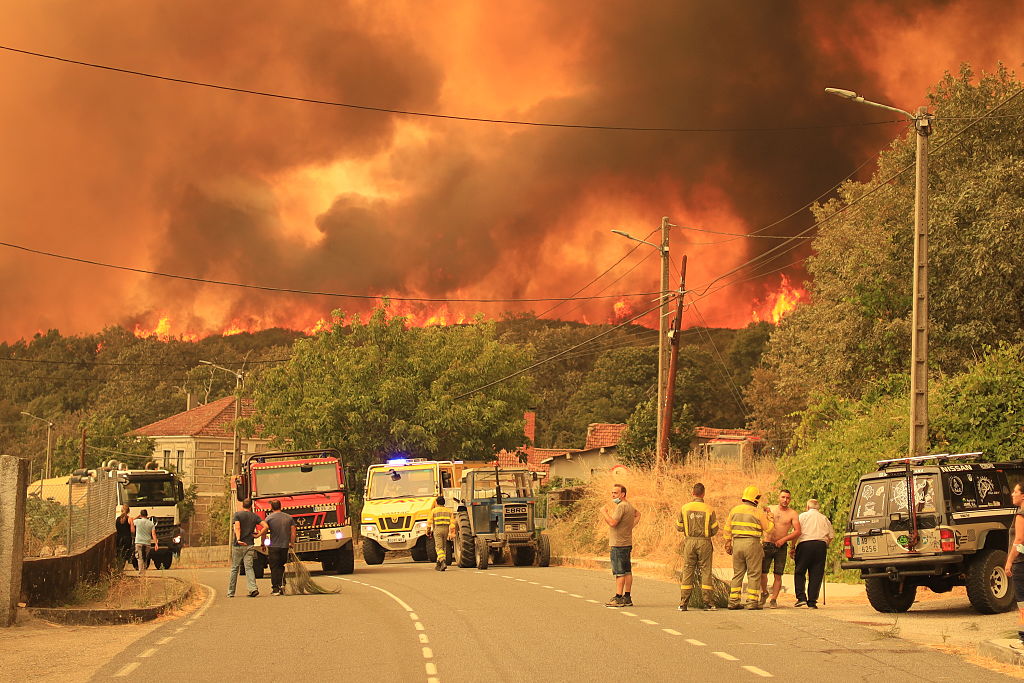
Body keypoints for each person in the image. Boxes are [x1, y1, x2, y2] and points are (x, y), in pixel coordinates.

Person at [724, 486, 773, 610]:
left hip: (737, 544)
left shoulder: (734, 510)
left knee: (738, 573)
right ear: (756, 498)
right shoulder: (757, 512)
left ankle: (733, 601)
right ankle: (752, 602)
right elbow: (768, 528)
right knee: (754, 573)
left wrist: (728, 542)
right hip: (752, 544)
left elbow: (727, 528)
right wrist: (770, 518)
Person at [676, 482, 719, 611]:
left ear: (693, 493)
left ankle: (683, 603)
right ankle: (708, 603)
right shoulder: (709, 509)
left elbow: (679, 527)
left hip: (689, 542)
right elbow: (715, 529)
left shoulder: (684, 508)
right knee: (706, 571)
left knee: (688, 570)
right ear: (703, 493)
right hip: (704, 542)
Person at [761, 489, 802, 608]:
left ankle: (773, 599)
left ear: (790, 499)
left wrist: (784, 540)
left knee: (778, 574)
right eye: (783, 497)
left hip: (781, 546)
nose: (785, 500)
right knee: (763, 572)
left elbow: (798, 531)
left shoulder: (792, 514)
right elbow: (761, 521)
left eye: (788, 498)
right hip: (767, 543)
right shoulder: (771, 508)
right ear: (779, 498)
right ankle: (764, 592)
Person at [602, 483, 640, 607]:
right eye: (612, 493)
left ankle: (618, 597)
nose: (613, 495)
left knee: (620, 572)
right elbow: (638, 514)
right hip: (627, 543)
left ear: (622, 494)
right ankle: (627, 597)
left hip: (618, 544)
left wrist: (604, 513)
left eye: (616, 493)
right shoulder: (629, 506)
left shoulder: (621, 506)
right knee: (627, 571)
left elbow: (613, 523)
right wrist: (630, 527)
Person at [791, 499, 834, 609]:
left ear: (807, 507)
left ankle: (801, 598)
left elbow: (796, 532)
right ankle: (812, 601)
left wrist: (792, 547)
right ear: (818, 508)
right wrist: (824, 544)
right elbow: (831, 536)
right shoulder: (824, 518)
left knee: (800, 571)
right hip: (820, 545)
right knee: (816, 574)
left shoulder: (802, 516)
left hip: (805, 544)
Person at [228, 498, 263, 598]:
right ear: (251, 506)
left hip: (238, 545)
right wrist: (258, 535)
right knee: (249, 567)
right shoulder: (254, 516)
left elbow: (237, 527)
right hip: (250, 545)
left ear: (242, 505)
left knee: (235, 568)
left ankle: (231, 592)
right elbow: (265, 526)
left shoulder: (237, 515)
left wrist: (238, 539)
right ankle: (253, 589)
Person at [259, 499, 296, 595]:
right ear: (281, 506)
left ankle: (276, 588)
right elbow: (293, 532)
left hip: (274, 546)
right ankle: (282, 584)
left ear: (271, 508)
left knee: (274, 567)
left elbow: (264, 532)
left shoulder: (269, 518)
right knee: (281, 565)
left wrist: (263, 543)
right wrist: (291, 543)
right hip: (284, 546)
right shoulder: (289, 518)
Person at [1004, 481, 1024, 649]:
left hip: (1021, 563)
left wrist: (1009, 561)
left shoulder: (1021, 514)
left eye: (1016, 491)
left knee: (1022, 602)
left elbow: (1019, 540)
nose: (1012, 494)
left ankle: (1023, 638)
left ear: (1023, 495)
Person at [427, 496, 455, 571]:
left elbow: (429, 522)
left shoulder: (434, 511)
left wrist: (428, 531)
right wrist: (452, 533)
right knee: (443, 547)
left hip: (437, 529)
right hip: (446, 529)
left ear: (437, 502)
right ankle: (438, 563)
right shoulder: (449, 511)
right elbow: (452, 523)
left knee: (438, 547)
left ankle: (442, 561)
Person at [130, 509, 158, 576]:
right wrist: (156, 543)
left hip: (139, 542)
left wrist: (137, 516)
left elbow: (131, 520)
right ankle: (144, 571)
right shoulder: (151, 523)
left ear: (141, 515)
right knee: (145, 557)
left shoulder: (137, 521)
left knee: (140, 558)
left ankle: (141, 573)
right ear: (147, 515)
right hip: (147, 543)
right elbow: (153, 534)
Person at [115, 504, 136, 571]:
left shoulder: (117, 519)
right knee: (125, 553)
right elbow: (132, 531)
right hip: (127, 539)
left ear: (121, 510)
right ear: (128, 511)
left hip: (119, 538)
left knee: (119, 553)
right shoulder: (129, 519)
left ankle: (119, 568)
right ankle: (123, 567)